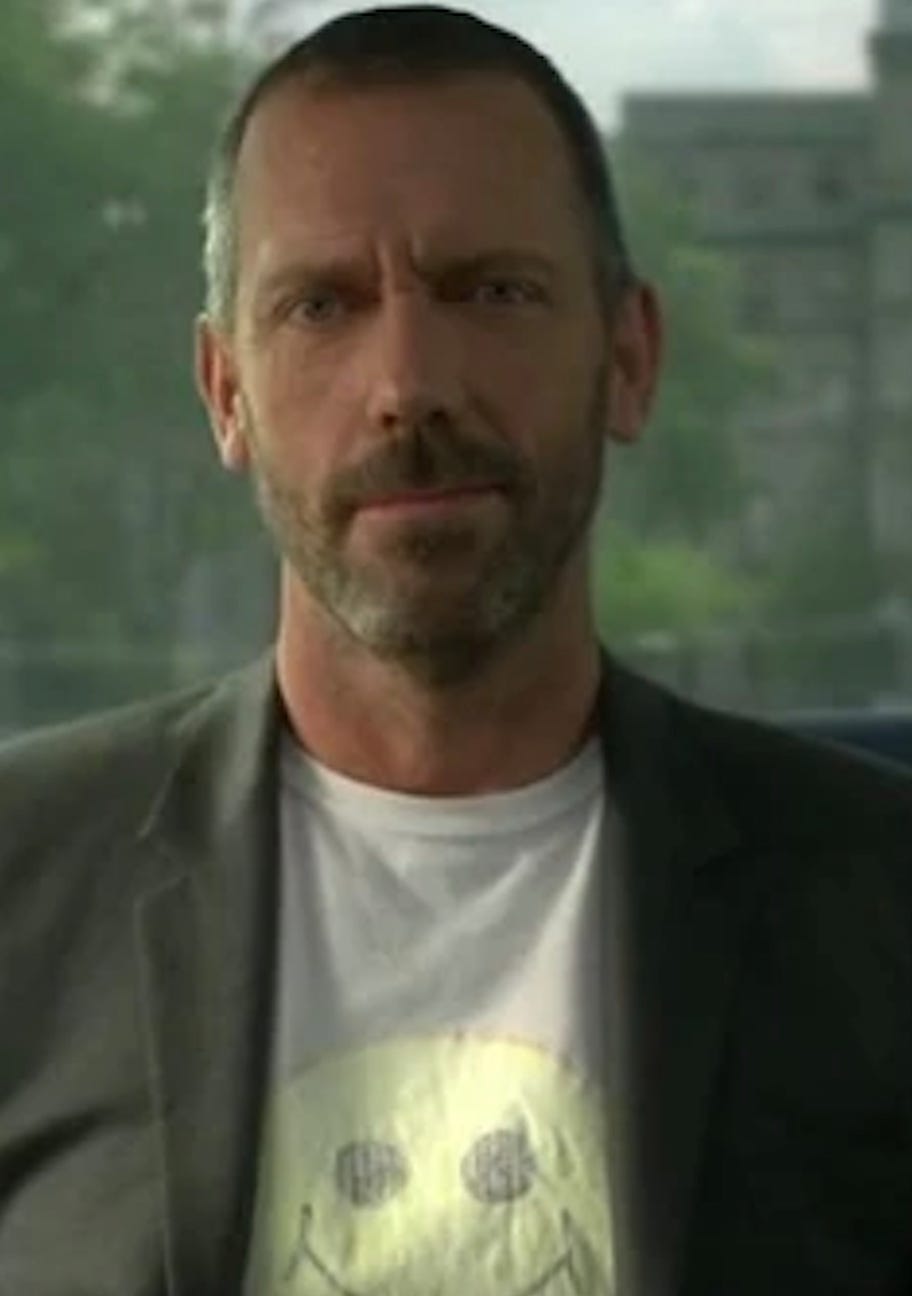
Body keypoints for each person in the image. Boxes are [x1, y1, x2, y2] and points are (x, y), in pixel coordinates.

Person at [1, 7, 911, 1295]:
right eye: (322, 305)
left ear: (630, 357)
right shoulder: (23, 891)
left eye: (493, 292)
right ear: (226, 393)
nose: (409, 384)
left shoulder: (879, 905)